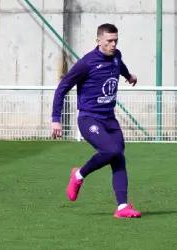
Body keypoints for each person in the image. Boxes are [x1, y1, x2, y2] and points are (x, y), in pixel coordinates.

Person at [51, 23, 141, 218]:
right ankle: (78, 175)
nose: (113, 44)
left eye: (116, 40)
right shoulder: (86, 63)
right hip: (89, 118)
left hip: (109, 119)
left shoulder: (116, 56)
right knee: (111, 150)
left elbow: (120, 65)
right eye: (109, 41)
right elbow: (62, 87)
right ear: (98, 40)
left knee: (119, 158)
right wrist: (55, 119)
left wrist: (129, 76)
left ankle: (122, 207)